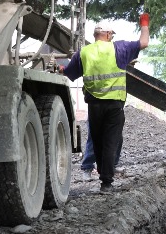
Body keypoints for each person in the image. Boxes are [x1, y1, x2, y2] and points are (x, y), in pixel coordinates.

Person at [63, 14, 150, 192]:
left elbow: (69, 73)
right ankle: (106, 183)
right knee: (111, 142)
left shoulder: (84, 53)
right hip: (114, 106)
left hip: (94, 106)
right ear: (109, 34)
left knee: (98, 142)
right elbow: (144, 41)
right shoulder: (120, 48)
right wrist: (144, 23)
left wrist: (61, 68)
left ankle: (102, 173)